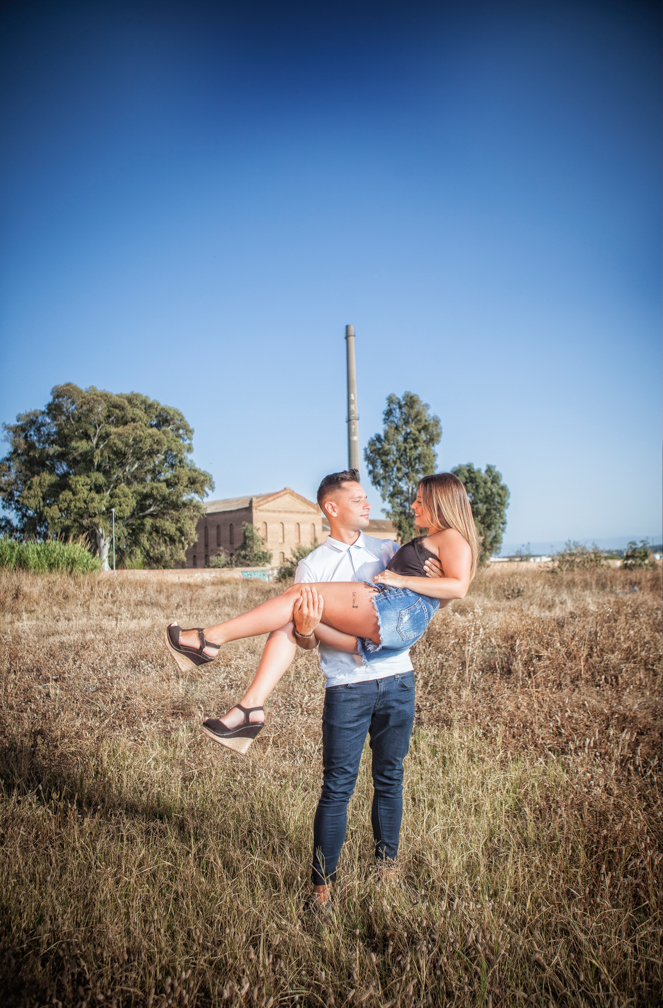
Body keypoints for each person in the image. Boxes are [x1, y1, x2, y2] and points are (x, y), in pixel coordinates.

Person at [165, 471, 479, 905]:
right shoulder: (312, 565)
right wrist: (307, 628)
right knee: (337, 787)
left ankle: (386, 872)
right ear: (332, 508)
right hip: (348, 685)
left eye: (367, 498)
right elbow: (307, 641)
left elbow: (432, 597)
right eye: (358, 498)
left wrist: (416, 581)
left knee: (390, 778)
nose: (370, 504)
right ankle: (321, 890)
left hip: (396, 678)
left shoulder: (387, 548)